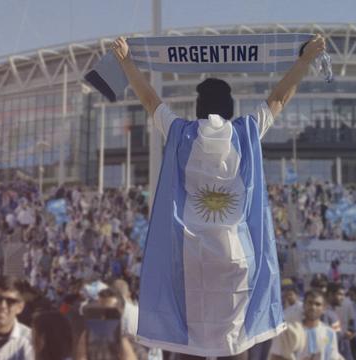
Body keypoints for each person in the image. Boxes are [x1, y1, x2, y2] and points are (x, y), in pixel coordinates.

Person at [112, 33, 326, 359]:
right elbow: (280, 98)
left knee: (190, 343)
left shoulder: (181, 132)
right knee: (234, 343)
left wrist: (127, 62)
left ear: (198, 108)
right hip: (238, 259)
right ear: (230, 108)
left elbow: (149, 99)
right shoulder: (246, 132)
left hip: (190, 256)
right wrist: (304, 60)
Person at [269, 290, 342, 360]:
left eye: (318, 304)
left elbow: (333, 357)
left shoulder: (329, 333)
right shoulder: (290, 331)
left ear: (324, 308)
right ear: (304, 305)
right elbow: (275, 356)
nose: (313, 307)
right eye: (310, 303)